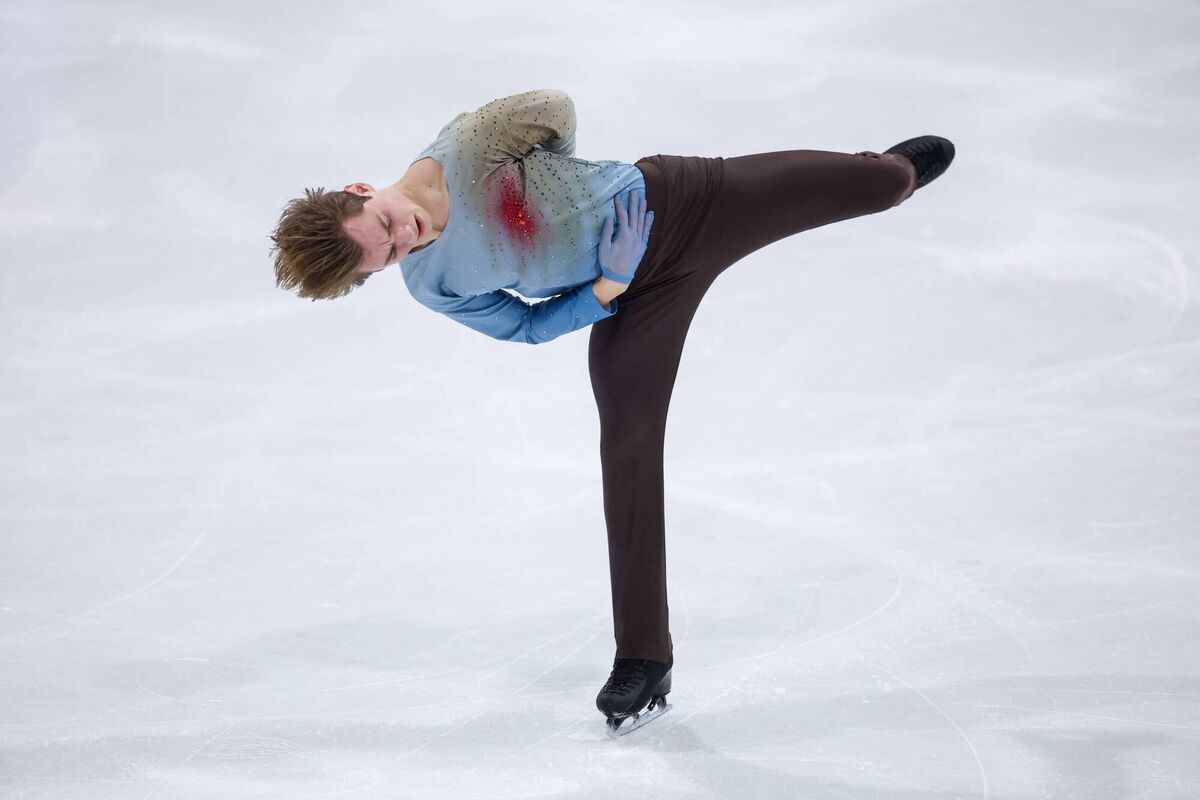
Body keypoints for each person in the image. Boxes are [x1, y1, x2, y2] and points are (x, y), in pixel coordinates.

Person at [268, 89, 955, 735]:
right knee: (627, 446)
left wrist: (561, 186)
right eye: (386, 256)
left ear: (362, 190)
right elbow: (523, 327)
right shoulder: (435, 281)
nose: (404, 240)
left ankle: (891, 171)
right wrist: (606, 282)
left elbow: (556, 110)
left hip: (685, 202)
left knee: (885, 186)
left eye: (385, 225)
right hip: (630, 299)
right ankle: (643, 658)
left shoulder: (471, 143)